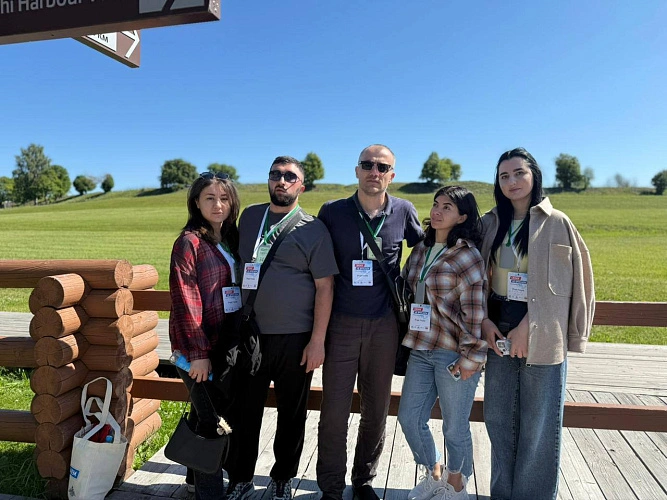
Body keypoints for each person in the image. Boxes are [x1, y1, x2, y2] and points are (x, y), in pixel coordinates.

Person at [480, 148, 595, 500]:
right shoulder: (490, 223)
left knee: (539, 425)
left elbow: (573, 282)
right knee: (499, 419)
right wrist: (483, 321)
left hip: (542, 330)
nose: (512, 181)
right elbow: (473, 275)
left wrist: (530, 327)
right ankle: (502, 494)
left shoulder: (556, 222)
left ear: (534, 176)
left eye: (519, 173)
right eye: (504, 176)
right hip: (497, 326)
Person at [225, 156, 338, 500]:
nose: (282, 181)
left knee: (292, 413)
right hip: (251, 333)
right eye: (276, 174)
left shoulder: (313, 228)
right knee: (245, 411)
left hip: (296, 338)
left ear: (301, 186)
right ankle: (241, 477)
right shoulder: (250, 218)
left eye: (290, 176)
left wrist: (317, 341)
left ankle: (282, 478)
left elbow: (325, 287)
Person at [317, 144, 424, 500]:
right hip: (341, 324)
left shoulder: (404, 210)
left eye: (382, 167)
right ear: (356, 171)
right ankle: (331, 487)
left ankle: (363, 480)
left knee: (376, 410)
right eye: (367, 165)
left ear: (391, 175)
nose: (374, 172)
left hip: (384, 324)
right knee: (334, 411)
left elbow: (427, 251)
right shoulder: (332, 212)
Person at [398, 186, 487, 500]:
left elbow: (475, 309)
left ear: (462, 217)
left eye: (447, 207)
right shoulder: (421, 248)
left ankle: (457, 487)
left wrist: (471, 357)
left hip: (454, 352)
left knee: (454, 426)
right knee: (409, 418)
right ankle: (435, 475)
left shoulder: (467, 255)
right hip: (420, 347)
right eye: (436, 204)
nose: (437, 211)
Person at [168, 171, 242, 500]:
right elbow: (186, 299)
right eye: (209, 198)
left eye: (224, 198)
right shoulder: (189, 242)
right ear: (196, 202)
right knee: (213, 422)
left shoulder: (229, 239)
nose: (218, 205)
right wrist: (198, 354)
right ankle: (209, 494)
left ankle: (192, 481)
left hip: (224, 343)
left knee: (202, 413)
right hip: (197, 348)